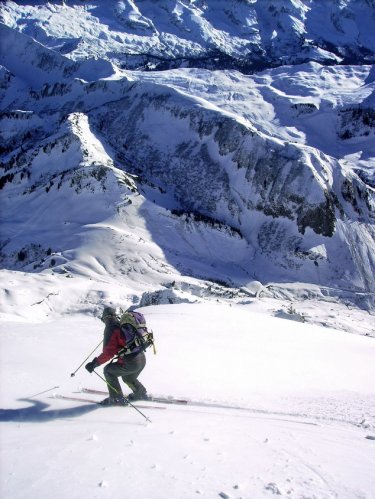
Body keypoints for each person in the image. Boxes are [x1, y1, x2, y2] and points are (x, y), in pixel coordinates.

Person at [85, 306, 148, 406]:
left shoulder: (111, 329)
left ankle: (116, 400)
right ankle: (140, 393)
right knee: (128, 378)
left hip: (130, 362)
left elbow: (108, 353)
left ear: (105, 318)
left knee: (108, 371)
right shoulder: (122, 324)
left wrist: (94, 363)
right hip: (141, 359)